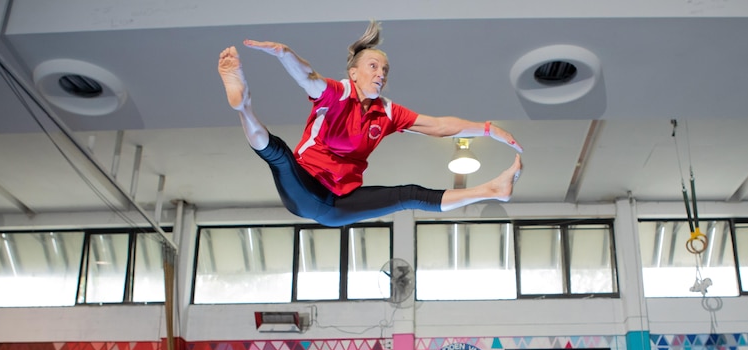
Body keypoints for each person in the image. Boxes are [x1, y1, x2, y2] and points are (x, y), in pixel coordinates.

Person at [218, 20, 523, 227]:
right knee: (280, 156)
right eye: (373, 66)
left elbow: (440, 126)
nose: (381, 73)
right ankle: (242, 103)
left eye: (385, 69)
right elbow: (307, 77)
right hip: (306, 187)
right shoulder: (337, 94)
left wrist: (488, 128)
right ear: (353, 73)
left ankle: (494, 189)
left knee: (410, 194)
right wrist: (284, 54)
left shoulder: (388, 112)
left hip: (341, 205)